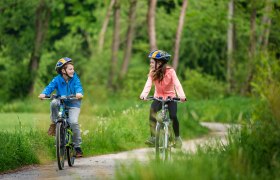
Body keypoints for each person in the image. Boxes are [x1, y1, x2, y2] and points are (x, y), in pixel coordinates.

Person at [140, 50, 187, 148]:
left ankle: (177, 138)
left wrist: (181, 96)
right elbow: (148, 84)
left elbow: (177, 84)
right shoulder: (152, 72)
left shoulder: (171, 71)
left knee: (173, 116)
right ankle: (153, 137)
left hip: (171, 98)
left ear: (159, 63)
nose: (150, 64)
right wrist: (144, 94)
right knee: (152, 112)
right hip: (158, 97)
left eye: (152, 62)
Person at [38, 57, 84, 157]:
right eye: (70, 69)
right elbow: (50, 87)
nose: (73, 71)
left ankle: (77, 147)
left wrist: (79, 93)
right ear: (63, 71)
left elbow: (78, 86)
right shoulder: (57, 79)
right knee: (54, 102)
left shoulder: (75, 78)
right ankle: (55, 123)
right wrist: (43, 94)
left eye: (73, 69)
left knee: (73, 122)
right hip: (61, 102)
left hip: (73, 103)